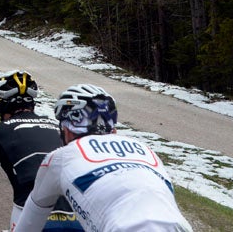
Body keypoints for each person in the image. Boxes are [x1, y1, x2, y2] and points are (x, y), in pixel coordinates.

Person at [13, 84, 192, 232]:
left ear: (66, 130)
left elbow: (30, 221)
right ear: (113, 129)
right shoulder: (145, 150)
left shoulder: (60, 157)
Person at [0, 70, 78, 232]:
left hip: (32, 215)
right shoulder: (56, 127)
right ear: (32, 103)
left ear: (1, 106)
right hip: (78, 213)